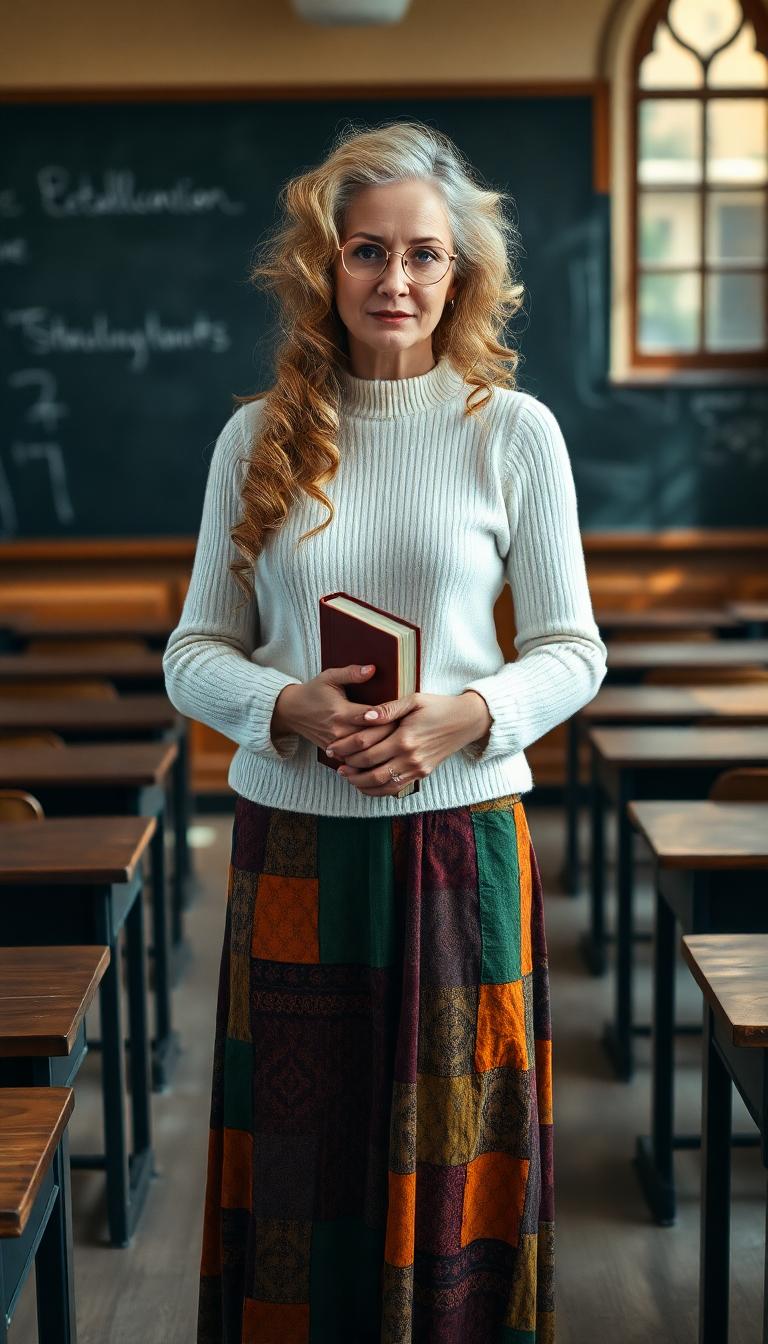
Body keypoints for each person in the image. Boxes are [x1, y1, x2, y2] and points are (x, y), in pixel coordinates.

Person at [163, 118, 607, 1344]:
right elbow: (191, 654)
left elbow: (575, 650)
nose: (396, 280)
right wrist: (281, 703)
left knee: (460, 1160)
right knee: (303, 1173)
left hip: (463, 846)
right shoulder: (254, 439)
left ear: (459, 272)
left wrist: (469, 713)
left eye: (424, 254)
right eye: (367, 252)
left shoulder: (513, 432)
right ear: (325, 265)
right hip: (298, 851)